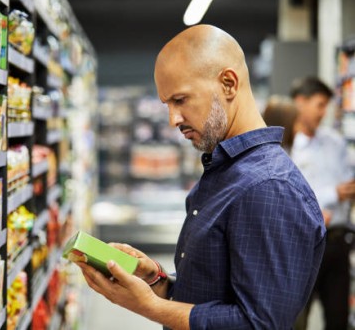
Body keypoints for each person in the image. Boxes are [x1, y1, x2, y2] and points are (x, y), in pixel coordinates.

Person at [76, 24, 326, 329]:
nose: (172, 120)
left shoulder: (269, 186)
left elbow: (259, 324)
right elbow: (214, 292)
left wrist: (151, 307)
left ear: (229, 84)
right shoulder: (227, 171)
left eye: (180, 100)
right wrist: (156, 279)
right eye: (167, 104)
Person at [289, 76, 355, 330]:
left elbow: (346, 182)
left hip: (336, 243)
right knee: (297, 318)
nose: (323, 112)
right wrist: (332, 194)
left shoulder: (335, 143)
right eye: (319, 104)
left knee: (338, 319)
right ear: (300, 102)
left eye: (326, 105)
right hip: (303, 247)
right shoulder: (287, 148)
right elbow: (291, 197)